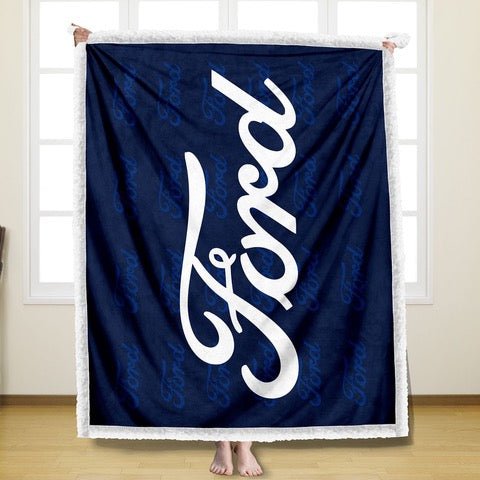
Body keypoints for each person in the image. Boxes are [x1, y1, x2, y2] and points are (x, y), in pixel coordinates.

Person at [71, 24, 396, 477]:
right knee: (213, 324)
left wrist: (372, 59)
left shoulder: (265, 139)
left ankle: (246, 443)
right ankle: (222, 441)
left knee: (258, 324)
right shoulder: (200, 117)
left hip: (260, 231)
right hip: (207, 225)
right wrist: (97, 49)